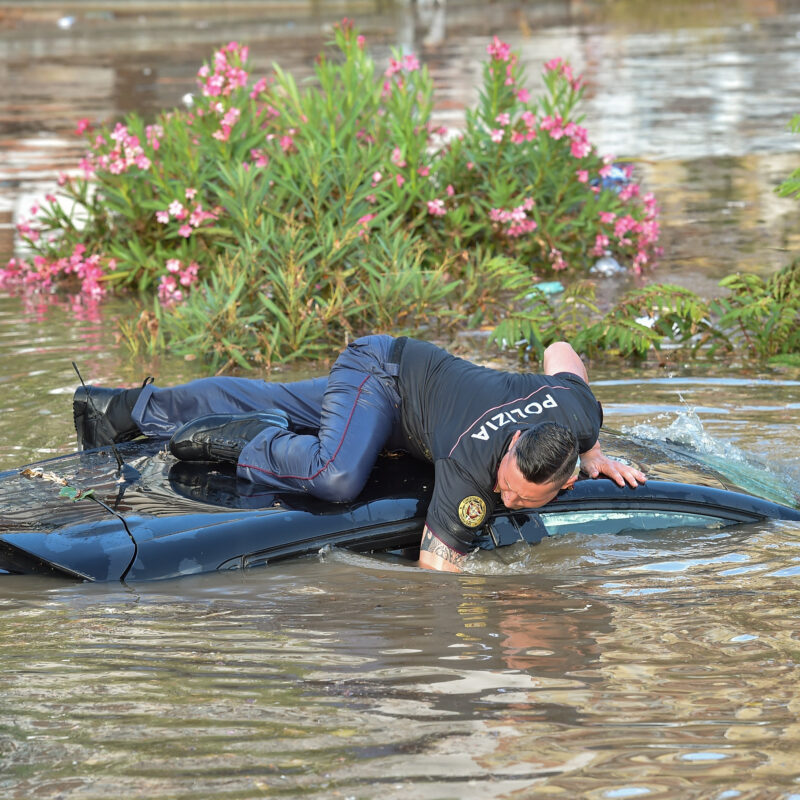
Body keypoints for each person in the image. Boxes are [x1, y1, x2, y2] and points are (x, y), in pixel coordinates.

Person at [73, 335, 645, 572]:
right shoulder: (473, 467)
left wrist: (592, 450)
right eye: (506, 485)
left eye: (521, 500)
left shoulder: (578, 413)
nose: (503, 497)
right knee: (336, 473)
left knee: (273, 399)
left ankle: (115, 411)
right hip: (381, 372)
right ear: (514, 444)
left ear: (564, 482)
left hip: (405, 403)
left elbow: (560, 350)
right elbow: (437, 573)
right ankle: (245, 440)